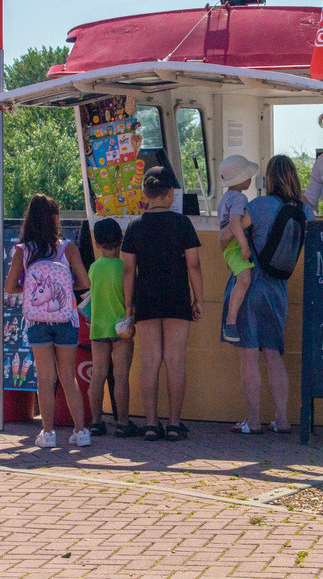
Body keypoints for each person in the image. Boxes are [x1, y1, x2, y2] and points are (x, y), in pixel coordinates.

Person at [221, 155, 313, 435]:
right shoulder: (305, 210)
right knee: (274, 354)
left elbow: (227, 235)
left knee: (250, 354)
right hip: (278, 287)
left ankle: (254, 419)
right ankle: (282, 419)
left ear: (269, 179)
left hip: (252, 282)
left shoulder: (260, 205)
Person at [121, 166, 203, 442]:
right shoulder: (183, 224)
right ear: (170, 193)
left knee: (150, 361)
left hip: (146, 297)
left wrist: (128, 304)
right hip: (177, 295)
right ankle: (174, 423)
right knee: (175, 360)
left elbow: (128, 269)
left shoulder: (135, 226)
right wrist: (198, 299)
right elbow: (194, 265)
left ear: (145, 194)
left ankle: (151, 423)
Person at [5, 194, 92, 448]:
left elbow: (11, 287)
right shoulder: (68, 247)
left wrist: (30, 293)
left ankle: (48, 433)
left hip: (37, 321)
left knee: (45, 378)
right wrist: (65, 288)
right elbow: (85, 283)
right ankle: (81, 431)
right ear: (55, 219)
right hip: (66, 319)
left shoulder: (23, 251)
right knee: (68, 376)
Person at [85, 218, 139, 438]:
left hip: (98, 327)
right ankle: (123, 422)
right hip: (121, 328)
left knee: (97, 375)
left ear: (97, 243)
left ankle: (96, 421)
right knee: (121, 375)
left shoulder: (93, 269)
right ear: (121, 240)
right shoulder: (125, 268)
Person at [217, 155, 259, 343]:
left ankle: (232, 320)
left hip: (230, 246)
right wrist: (244, 246)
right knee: (244, 278)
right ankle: (231, 322)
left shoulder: (226, 197)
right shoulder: (240, 198)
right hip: (235, 244)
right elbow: (235, 222)